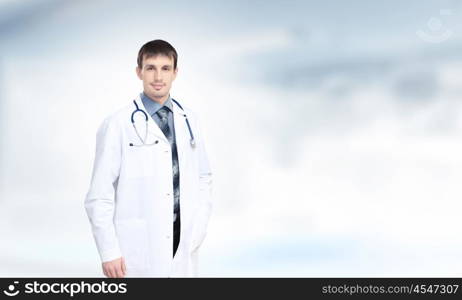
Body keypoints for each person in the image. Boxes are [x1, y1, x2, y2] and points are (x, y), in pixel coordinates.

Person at [84, 39, 213, 278]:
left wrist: (199, 227)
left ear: (175, 73)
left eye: (165, 68)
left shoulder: (190, 120)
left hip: (182, 244)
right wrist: (108, 251)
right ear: (139, 72)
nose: (158, 76)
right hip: (136, 249)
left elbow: (203, 176)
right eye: (150, 68)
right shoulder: (117, 124)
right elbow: (99, 196)